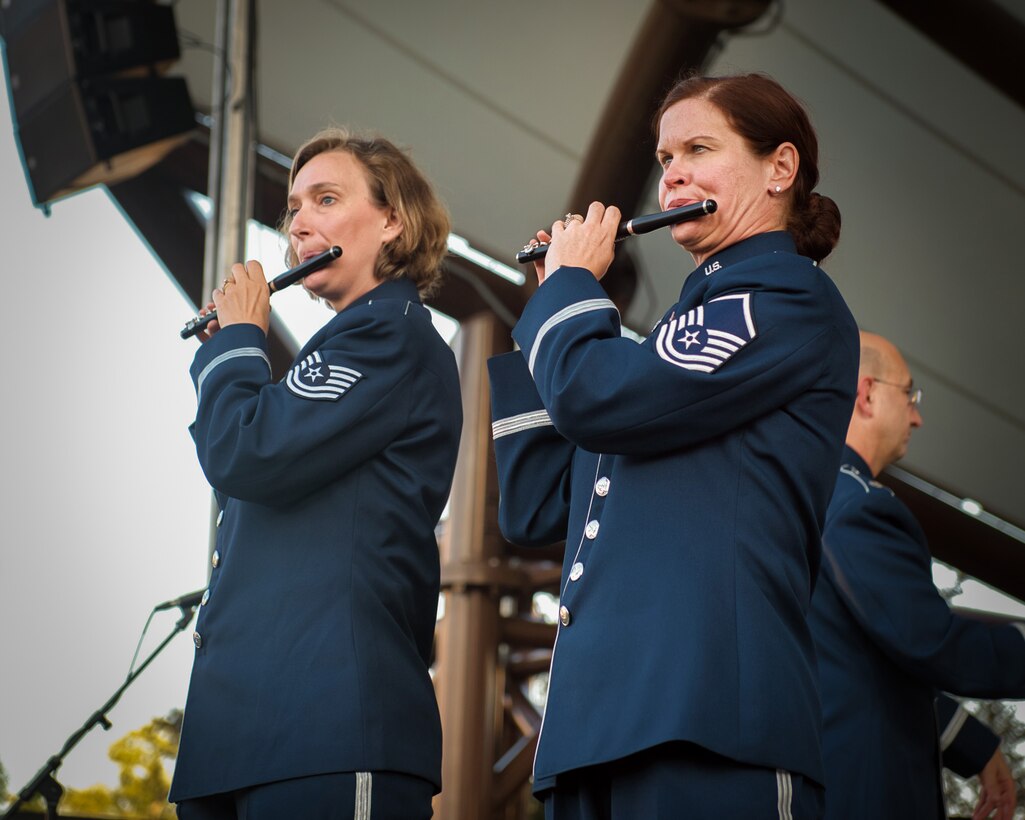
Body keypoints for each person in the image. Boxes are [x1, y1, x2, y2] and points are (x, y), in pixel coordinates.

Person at [488, 72, 859, 818]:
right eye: (664, 159)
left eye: (698, 148)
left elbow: (598, 398)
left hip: (711, 724)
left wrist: (569, 296)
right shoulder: (663, 345)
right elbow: (534, 511)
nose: (674, 172)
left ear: (778, 169)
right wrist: (545, 306)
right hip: (601, 729)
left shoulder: (781, 297)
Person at [168, 128, 462, 819]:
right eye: (293, 207)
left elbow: (246, 452)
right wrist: (234, 349)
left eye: (325, 199)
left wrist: (241, 341)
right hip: (238, 735)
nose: (299, 221)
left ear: (392, 220)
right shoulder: (333, 353)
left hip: (327, 726)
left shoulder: (388, 335)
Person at [808, 330, 1025, 820]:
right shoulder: (855, 506)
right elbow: (930, 642)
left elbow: (857, 660)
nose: (917, 416)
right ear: (866, 394)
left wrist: (971, 741)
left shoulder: (804, 494)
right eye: (910, 395)